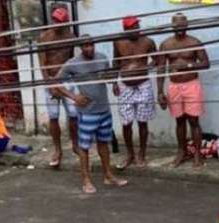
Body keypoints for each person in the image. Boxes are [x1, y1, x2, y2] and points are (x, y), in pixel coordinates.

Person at [56, 35, 127, 194]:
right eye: (86, 46)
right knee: (84, 147)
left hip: (104, 109)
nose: (89, 48)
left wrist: (114, 82)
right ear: (80, 47)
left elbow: (108, 77)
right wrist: (74, 96)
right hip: (87, 112)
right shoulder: (73, 63)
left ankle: (108, 175)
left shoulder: (102, 58)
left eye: (91, 45)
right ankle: (86, 180)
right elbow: (56, 82)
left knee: (104, 143)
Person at [157, 13, 210, 169]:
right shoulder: (165, 45)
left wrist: (188, 66)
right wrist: (160, 92)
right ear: (172, 26)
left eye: (182, 24)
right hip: (174, 86)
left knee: (194, 121)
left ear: (187, 25)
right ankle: (182, 152)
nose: (179, 28)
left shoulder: (194, 42)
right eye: (176, 25)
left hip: (191, 84)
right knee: (179, 121)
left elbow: (206, 63)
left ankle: (197, 155)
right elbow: (161, 69)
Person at [112, 16, 157, 169]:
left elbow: (156, 59)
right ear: (126, 29)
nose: (137, 29)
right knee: (126, 123)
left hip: (143, 84)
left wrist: (146, 67)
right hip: (124, 84)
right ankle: (130, 154)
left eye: (137, 26)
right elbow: (116, 61)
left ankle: (141, 153)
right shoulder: (118, 41)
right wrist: (114, 82)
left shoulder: (148, 42)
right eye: (133, 27)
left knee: (142, 121)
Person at [37, 5, 78, 168]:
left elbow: (71, 60)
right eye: (55, 21)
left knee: (74, 115)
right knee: (53, 116)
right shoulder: (44, 37)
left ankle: (75, 143)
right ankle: (58, 150)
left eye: (60, 22)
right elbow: (42, 63)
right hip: (51, 78)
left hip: (67, 79)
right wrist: (50, 84)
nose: (56, 24)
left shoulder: (71, 37)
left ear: (65, 22)